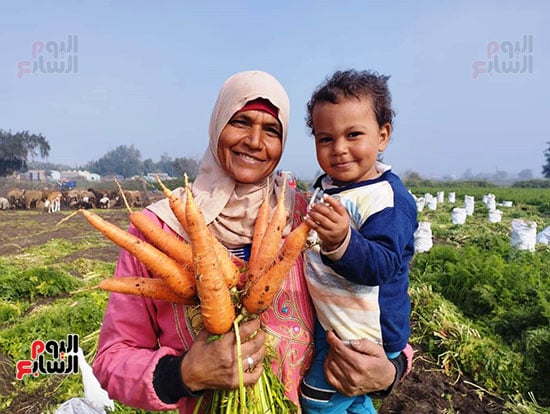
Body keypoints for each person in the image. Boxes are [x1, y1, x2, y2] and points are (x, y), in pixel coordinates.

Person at [93, 70, 408, 413]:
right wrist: (184, 374)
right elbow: (111, 359)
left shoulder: (308, 216)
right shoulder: (158, 229)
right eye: (240, 122)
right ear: (217, 125)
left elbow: (378, 301)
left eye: (271, 130)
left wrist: (390, 371)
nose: (255, 142)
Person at [299, 69, 418, 413]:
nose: (339, 149)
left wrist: (341, 241)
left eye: (353, 135)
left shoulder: (386, 199)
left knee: (319, 398)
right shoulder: (329, 186)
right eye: (325, 139)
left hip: (364, 332)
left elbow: (382, 266)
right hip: (336, 319)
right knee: (351, 401)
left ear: (382, 136)